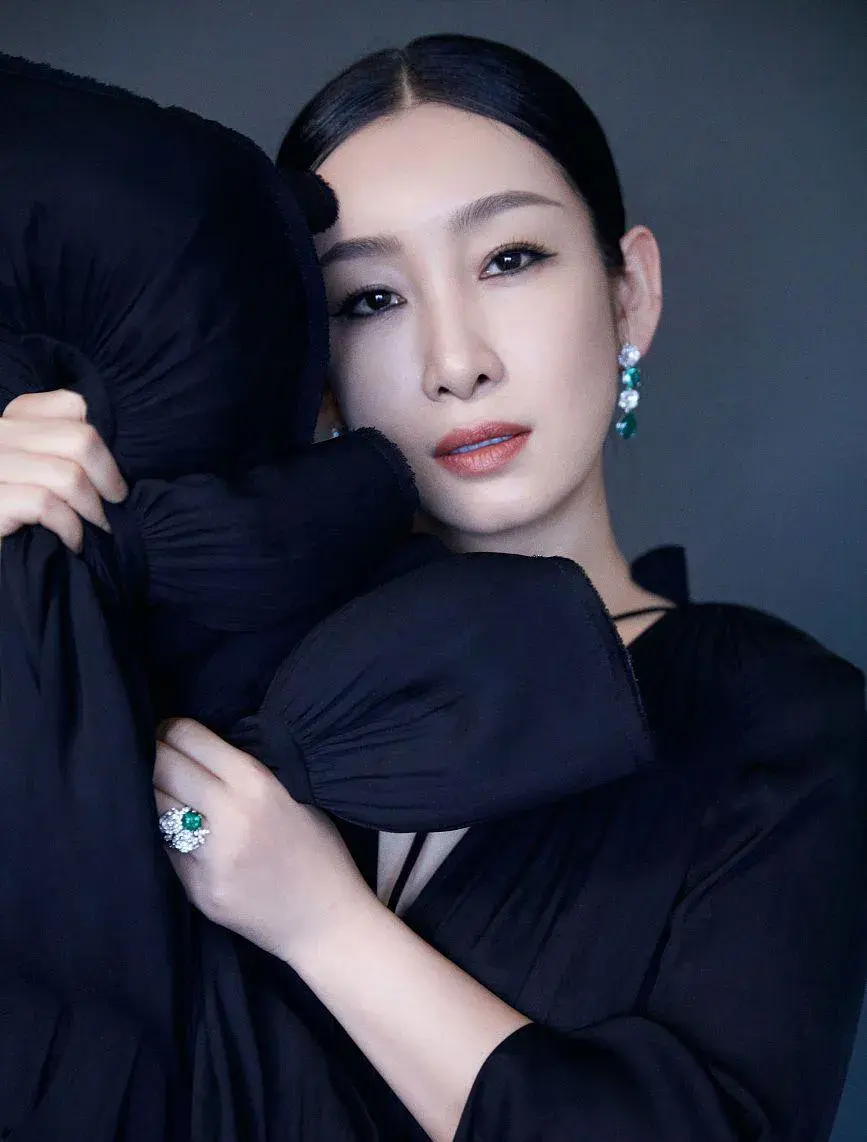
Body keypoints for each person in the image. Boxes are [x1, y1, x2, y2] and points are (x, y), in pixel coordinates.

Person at [2, 33, 866, 1142]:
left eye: (510, 258)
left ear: (631, 294)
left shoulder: (782, 721)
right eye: (369, 299)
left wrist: (325, 926)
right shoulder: (177, 640)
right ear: (312, 361)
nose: (454, 362)